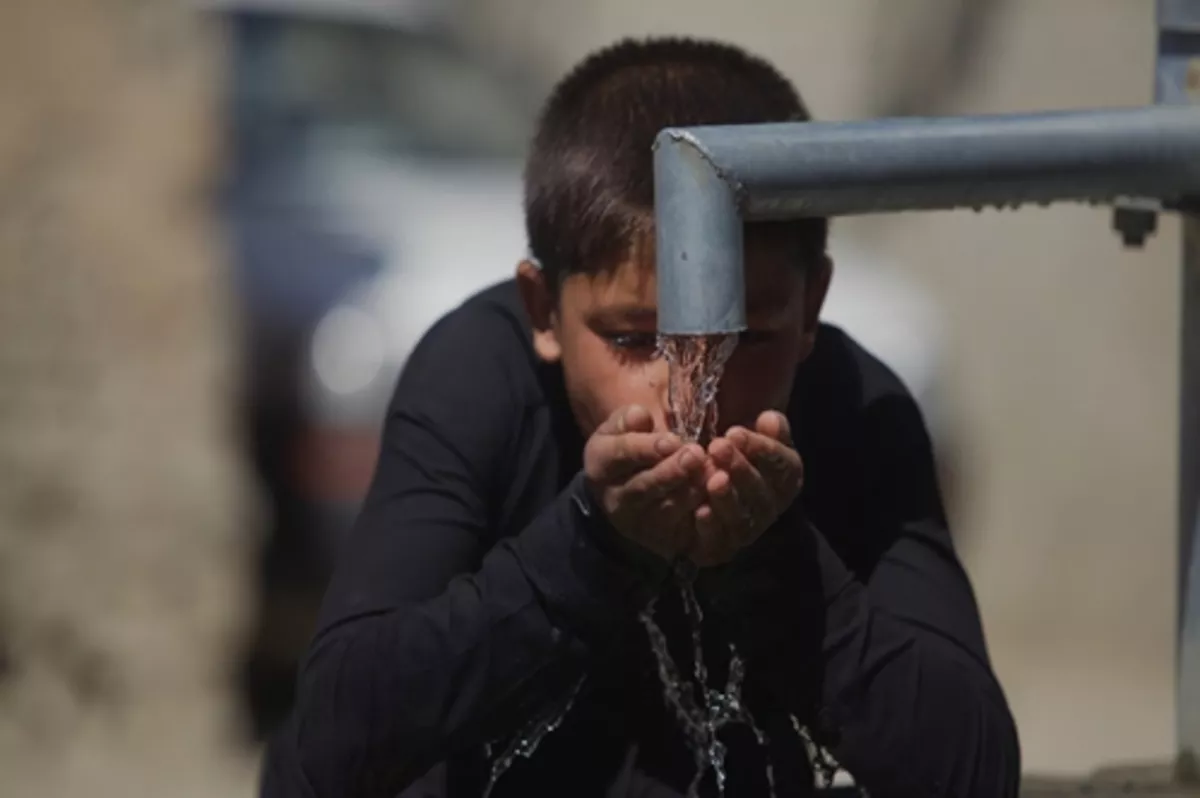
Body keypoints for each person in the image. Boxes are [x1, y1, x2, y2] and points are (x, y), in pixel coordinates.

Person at [261, 37, 1021, 798]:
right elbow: (326, 752)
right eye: (630, 338)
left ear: (812, 306)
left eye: (745, 338)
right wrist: (590, 544)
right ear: (544, 310)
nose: (686, 395)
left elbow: (973, 771)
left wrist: (776, 564)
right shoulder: (480, 379)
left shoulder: (858, 407)